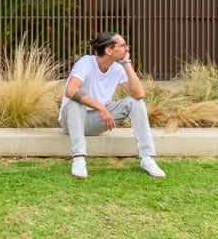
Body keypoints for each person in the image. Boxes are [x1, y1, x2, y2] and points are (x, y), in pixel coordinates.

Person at [59, 31, 164, 179]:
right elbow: (71, 91)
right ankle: (79, 159)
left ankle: (147, 158)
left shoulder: (118, 68)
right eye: (122, 45)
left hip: (96, 121)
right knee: (75, 104)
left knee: (136, 103)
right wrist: (101, 107)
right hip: (72, 122)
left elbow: (139, 94)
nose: (127, 48)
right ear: (109, 50)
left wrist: (127, 64)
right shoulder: (86, 63)